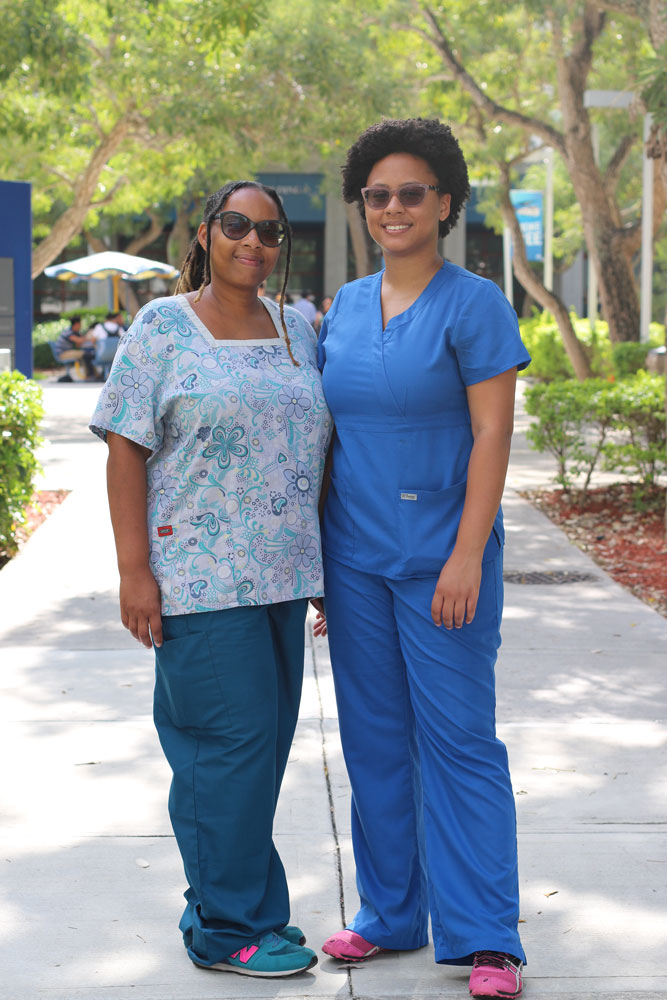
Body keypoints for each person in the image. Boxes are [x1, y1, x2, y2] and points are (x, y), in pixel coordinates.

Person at [90, 181, 332, 978]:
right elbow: (125, 444)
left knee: (257, 758)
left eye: (268, 230)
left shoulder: (294, 329)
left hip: (282, 578)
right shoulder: (163, 326)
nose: (252, 241)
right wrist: (134, 572)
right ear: (206, 232)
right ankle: (228, 931)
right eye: (236, 225)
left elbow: (313, 450)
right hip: (197, 580)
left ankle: (240, 912)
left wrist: (324, 568)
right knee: (222, 752)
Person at [315, 118, 530, 999]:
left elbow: (491, 433)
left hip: (446, 556)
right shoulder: (341, 308)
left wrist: (467, 554)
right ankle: (389, 914)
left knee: (458, 741)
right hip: (354, 558)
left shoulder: (474, 303)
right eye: (377, 196)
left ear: (444, 203)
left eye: (411, 193)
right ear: (362, 208)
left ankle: (485, 937)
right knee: (371, 740)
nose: (393, 207)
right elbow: (329, 436)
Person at [52, 315, 97, 379]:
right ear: (76, 324)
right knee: (86, 354)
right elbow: (79, 340)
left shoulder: (75, 332)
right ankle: (91, 375)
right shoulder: (68, 332)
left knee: (86, 354)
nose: (81, 326)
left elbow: (78, 345)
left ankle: (91, 375)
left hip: (67, 352)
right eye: (80, 324)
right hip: (62, 354)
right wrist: (90, 338)